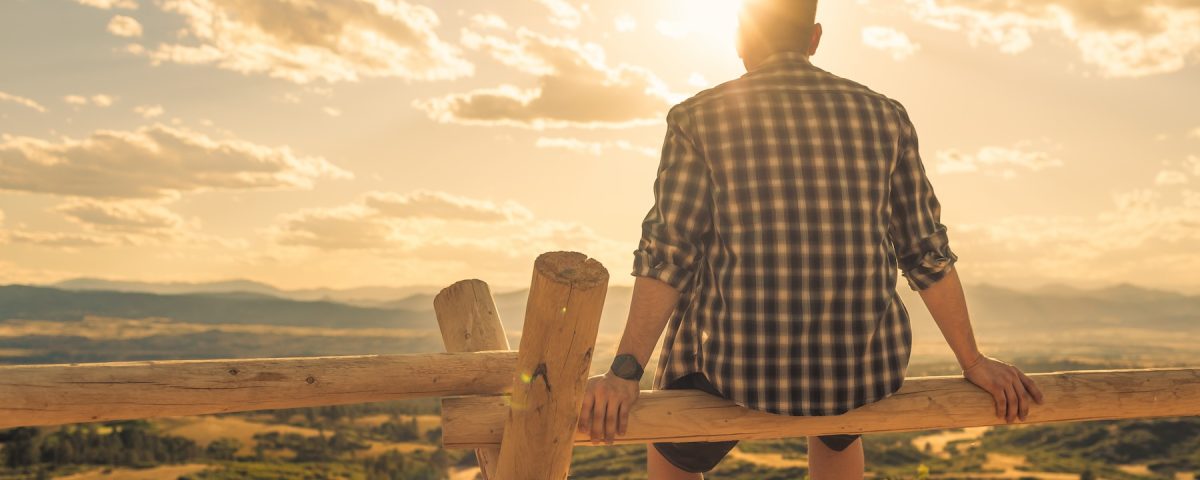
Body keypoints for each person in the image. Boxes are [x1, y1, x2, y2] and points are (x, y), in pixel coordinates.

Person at [578, 0, 1046, 478]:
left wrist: (624, 373)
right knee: (838, 420)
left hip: (736, 366)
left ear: (740, 40)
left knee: (671, 445)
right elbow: (925, 252)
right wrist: (973, 360)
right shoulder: (886, 116)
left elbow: (669, 253)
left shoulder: (697, 117)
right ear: (814, 38)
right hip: (860, 369)